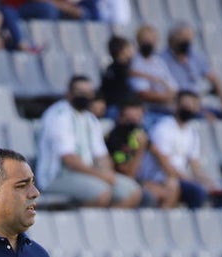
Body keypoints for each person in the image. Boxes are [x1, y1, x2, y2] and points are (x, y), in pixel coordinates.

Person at [36, 75, 142, 209]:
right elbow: (70, 160)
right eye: (80, 92)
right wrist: (101, 176)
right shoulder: (59, 115)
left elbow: (101, 155)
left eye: (88, 93)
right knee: (101, 193)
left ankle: (106, 226)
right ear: (69, 94)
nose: (85, 96)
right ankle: (88, 226)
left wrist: (107, 173)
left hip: (87, 173)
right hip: (57, 176)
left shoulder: (90, 118)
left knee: (132, 192)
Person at [145, 89, 222, 208]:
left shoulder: (192, 133)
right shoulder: (163, 128)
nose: (190, 109)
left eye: (194, 106)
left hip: (183, 178)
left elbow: (195, 165)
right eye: (187, 105)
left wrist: (209, 182)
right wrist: (191, 180)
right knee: (197, 192)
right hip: (163, 178)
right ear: (177, 105)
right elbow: (166, 165)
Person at [104, 98, 179, 208]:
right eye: (129, 119)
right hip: (120, 180)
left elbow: (162, 158)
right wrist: (140, 149)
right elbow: (128, 174)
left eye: (138, 118)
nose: (134, 123)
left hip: (141, 180)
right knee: (151, 196)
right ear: (120, 117)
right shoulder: (114, 138)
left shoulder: (139, 133)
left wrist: (172, 176)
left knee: (172, 187)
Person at [158, 23, 222, 120]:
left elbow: (214, 79)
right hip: (175, 105)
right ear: (172, 40)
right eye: (183, 39)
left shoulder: (195, 57)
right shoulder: (161, 60)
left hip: (195, 104)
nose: (186, 43)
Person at [129, 24, 176, 116]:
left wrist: (171, 95)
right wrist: (166, 97)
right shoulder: (134, 63)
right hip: (148, 110)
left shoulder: (159, 61)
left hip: (167, 107)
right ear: (138, 41)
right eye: (145, 40)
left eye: (152, 39)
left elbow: (172, 86)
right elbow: (143, 93)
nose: (149, 42)